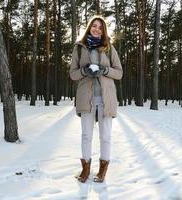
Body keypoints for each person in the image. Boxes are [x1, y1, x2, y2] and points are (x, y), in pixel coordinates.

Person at [69, 15, 123, 183]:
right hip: (87, 99)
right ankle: (85, 170)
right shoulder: (79, 48)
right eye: (94, 26)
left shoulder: (108, 48)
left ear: (103, 30)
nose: (97, 29)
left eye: (100, 27)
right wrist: (85, 71)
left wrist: (104, 70)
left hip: (106, 99)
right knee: (86, 135)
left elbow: (119, 72)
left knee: (105, 136)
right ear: (89, 27)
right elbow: (73, 74)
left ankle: (102, 172)